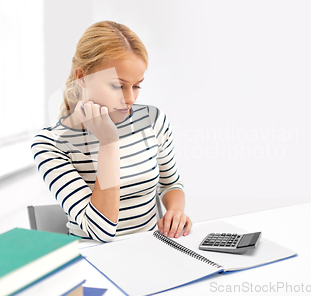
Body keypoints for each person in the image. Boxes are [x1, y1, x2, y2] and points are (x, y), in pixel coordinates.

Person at [30, 21, 192, 242]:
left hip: (152, 250)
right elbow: (101, 232)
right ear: (82, 77)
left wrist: (175, 210)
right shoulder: (50, 144)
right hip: (93, 259)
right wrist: (108, 143)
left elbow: (170, 184)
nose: (130, 99)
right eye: (117, 86)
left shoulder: (153, 121)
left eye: (136, 86)